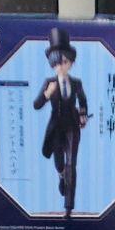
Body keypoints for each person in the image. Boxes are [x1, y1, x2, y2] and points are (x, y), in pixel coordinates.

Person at [33, 28, 88, 217]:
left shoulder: (77, 83)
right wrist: (47, 94)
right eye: (57, 64)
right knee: (59, 164)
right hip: (56, 128)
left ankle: (68, 208)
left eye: (64, 62)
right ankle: (61, 175)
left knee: (72, 164)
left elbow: (83, 101)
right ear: (52, 65)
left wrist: (82, 115)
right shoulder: (49, 82)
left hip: (72, 127)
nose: (61, 67)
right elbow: (36, 105)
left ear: (71, 63)